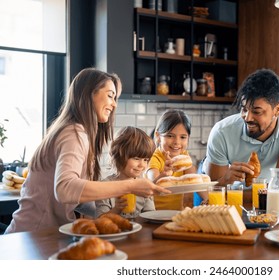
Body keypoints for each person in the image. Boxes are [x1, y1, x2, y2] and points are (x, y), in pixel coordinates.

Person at [5, 68, 169, 234]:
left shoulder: (77, 132)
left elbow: (77, 199)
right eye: (110, 95)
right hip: (32, 235)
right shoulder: (74, 133)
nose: (114, 104)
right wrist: (130, 186)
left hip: (39, 234)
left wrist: (107, 209)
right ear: (90, 94)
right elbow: (65, 189)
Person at [203, 68, 279, 200]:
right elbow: (213, 194)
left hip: (269, 210)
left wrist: (233, 194)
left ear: (277, 110)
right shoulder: (222, 132)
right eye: (244, 109)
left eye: (257, 112)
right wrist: (226, 179)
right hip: (232, 209)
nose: (247, 118)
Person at [95, 126, 156, 217]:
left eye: (146, 160)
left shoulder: (143, 186)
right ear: (118, 156)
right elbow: (100, 219)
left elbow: (151, 215)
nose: (142, 165)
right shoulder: (104, 186)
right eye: (136, 158)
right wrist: (117, 209)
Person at [146, 109, 198, 210]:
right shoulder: (154, 157)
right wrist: (164, 174)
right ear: (158, 136)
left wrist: (208, 199)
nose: (176, 142)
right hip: (153, 215)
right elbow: (153, 183)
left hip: (175, 214)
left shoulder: (184, 156)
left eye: (183, 137)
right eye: (170, 136)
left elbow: (195, 181)